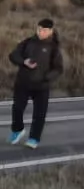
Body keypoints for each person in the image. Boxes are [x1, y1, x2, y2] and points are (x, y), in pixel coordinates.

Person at [10, 16, 62, 148]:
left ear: (50, 31)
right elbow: (13, 55)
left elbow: (58, 68)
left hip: (41, 85)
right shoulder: (28, 42)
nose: (40, 32)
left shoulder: (54, 48)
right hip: (23, 82)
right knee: (17, 108)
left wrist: (47, 77)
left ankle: (34, 138)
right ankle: (17, 129)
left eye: (44, 30)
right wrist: (24, 61)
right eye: (39, 29)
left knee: (39, 114)